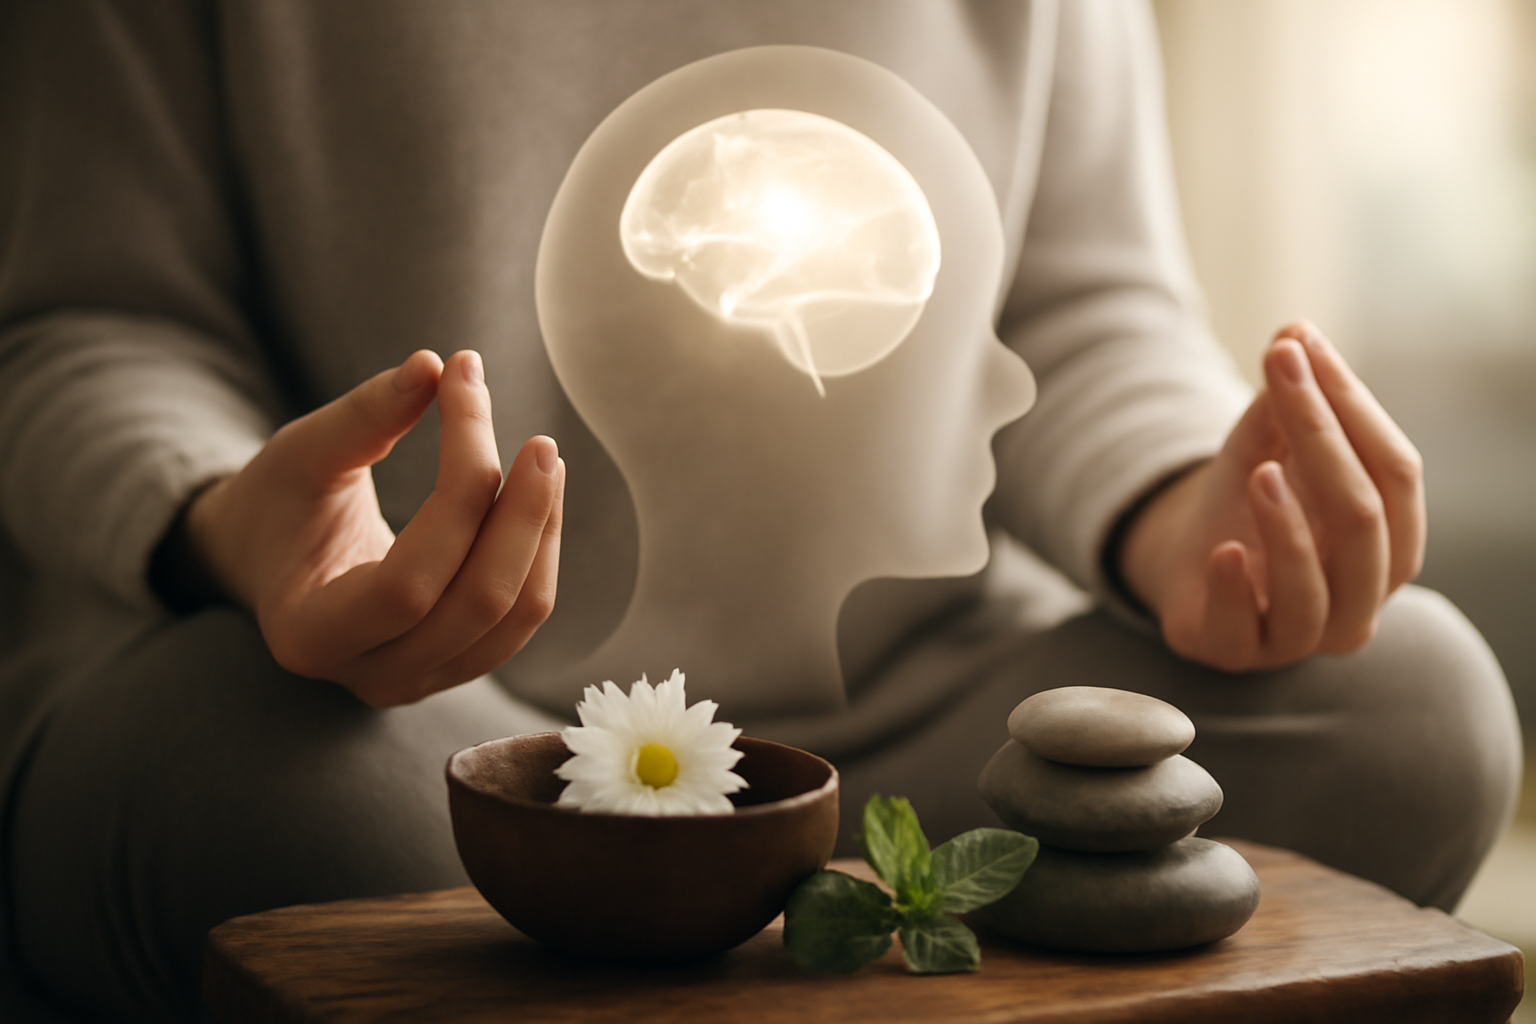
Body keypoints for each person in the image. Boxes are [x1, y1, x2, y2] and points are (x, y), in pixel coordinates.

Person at [0, 2, 1519, 1020]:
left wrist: (1196, 513)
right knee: (258, 794)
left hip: (920, 733)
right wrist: (236, 522)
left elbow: (1075, 304)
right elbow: (90, 322)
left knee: (1412, 703)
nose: (980, 384)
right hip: (417, 734)